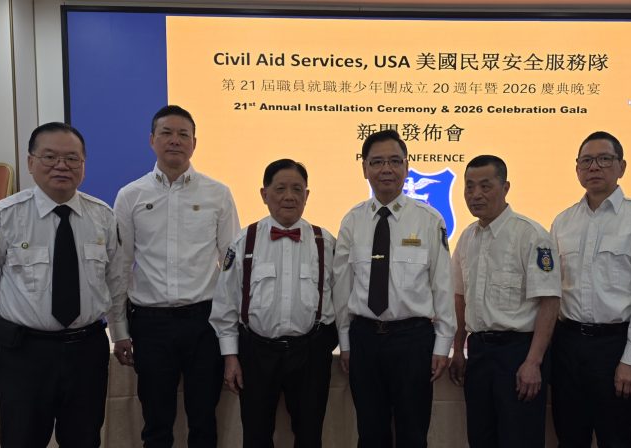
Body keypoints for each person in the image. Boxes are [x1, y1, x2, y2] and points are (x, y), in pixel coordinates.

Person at [0, 122, 124, 447]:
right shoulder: (2, 217)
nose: (62, 165)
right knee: (21, 439)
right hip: (25, 353)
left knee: (84, 439)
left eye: (72, 158)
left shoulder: (103, 216)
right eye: (50, 157)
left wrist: (120, 333)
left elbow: (115, 282)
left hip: (87, 351)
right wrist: (24, 315)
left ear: (83, 165)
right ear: (31, 162)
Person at [108, 105, 240, 447]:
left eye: (184, 134)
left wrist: (231, 332)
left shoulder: (218, 193)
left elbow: (231, 266)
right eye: (166, 133)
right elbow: (120, 266)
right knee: (156, 422)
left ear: (195, 143)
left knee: (203, 420)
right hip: (150, 324)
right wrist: (119, 330)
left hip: (204, 323)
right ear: (152, 140)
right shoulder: (131, 195)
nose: (175, 140)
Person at [333, 129, 456, 447]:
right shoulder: (352, 221)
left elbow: (442, 285)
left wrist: (443, 344)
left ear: (406, 166)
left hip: (412, 340)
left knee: (413, 433)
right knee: (370, 433)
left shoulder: (429, 220)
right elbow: (342, 287)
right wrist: (345, 342)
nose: (386, 169)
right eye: (377, 162)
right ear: (364, 168)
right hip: (364, 339)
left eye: (394, 161)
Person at [209, 158, 338, 447]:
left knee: (310, 436)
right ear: (264, 194)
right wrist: (230, 356)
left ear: (307, 195)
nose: (289, 196)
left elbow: (340, 301)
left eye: (297, 189)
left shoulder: (325, 242)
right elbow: (226, 304)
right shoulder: (244, 241)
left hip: (310, 353)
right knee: (256, 435)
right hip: (256, 353)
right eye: (280, 188)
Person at [550, 131, 631, 447]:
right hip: (568, 345)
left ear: (622, 167)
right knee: (569, 437)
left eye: (604, 159)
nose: (594, 167)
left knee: (616, 439)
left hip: (614, 347)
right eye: (586, 161)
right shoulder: (562, 222)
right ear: (577, 168)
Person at [447, 155, 561, 448]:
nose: (476, 194)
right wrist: (457, 349)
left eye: (485, 186)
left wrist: (533, 362)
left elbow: (549, 301)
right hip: (479, 353)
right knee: (481, 438)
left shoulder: (531, 235)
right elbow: (459, 297)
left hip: (518, 354)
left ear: (505, 187)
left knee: (519, 439)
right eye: (469, 186)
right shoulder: (467, 237)